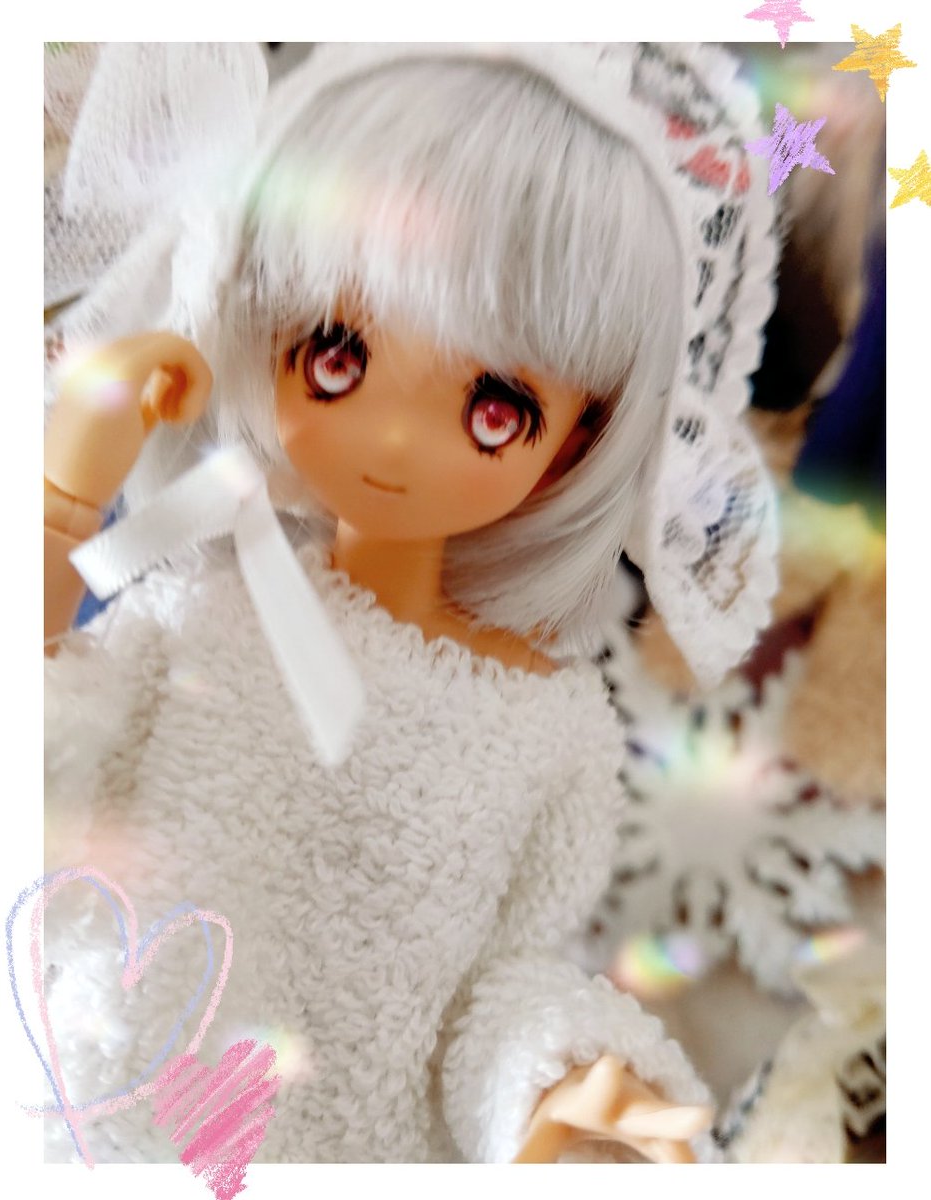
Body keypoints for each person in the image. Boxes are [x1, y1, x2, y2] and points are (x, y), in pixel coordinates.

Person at [43, 42, 778, 1163]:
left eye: (495, 408)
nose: (391, 440)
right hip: (102, 1131)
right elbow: (43, 776)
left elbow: (493, 994)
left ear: (580, 436)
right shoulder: (202, 608)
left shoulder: (547, 728)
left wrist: (561, 1082)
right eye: (336, 356)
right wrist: (59, 507)